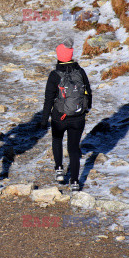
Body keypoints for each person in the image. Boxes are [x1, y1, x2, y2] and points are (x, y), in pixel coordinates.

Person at [39, 38, 92, 191]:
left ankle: (59, 169)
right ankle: (75, 182)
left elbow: (48, 99)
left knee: (57, 140)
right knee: (74, 148)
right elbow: (88, 91)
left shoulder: (54, 75)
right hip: (78, 117)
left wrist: (44, 120)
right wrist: (86, 109)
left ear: (59, 56)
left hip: (59, 117)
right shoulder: (80, 71)